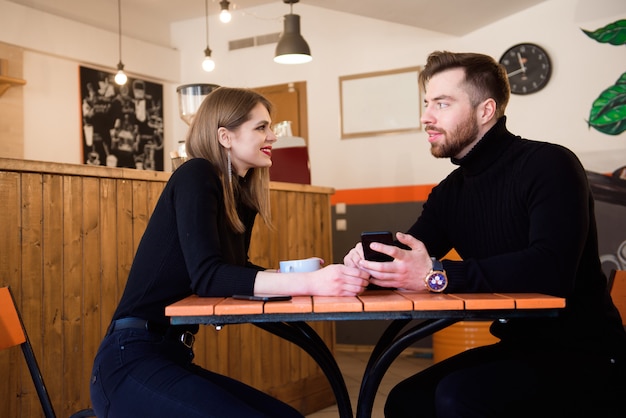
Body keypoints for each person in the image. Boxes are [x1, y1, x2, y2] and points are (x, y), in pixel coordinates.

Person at [344, 51, 626, 417]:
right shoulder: (451, 192)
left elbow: (551, 271)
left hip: (588, 355)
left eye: (442, 104)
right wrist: (368, 265)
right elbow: (408, 257)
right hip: (518, 348)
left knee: (457, 398)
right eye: (427, 103)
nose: (425, 117)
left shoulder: (550, 165)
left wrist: (436, 275)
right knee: (405, 401)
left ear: (485, 110)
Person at [90, 87, 370, 418]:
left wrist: (291, 275)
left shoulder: (238, 193)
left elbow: (233, 270)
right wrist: (311, 283)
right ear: (225, 136)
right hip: (129, 361)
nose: (272, 137)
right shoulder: (197, 173)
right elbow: (209, 278)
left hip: (168, 356)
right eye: (261, 127)